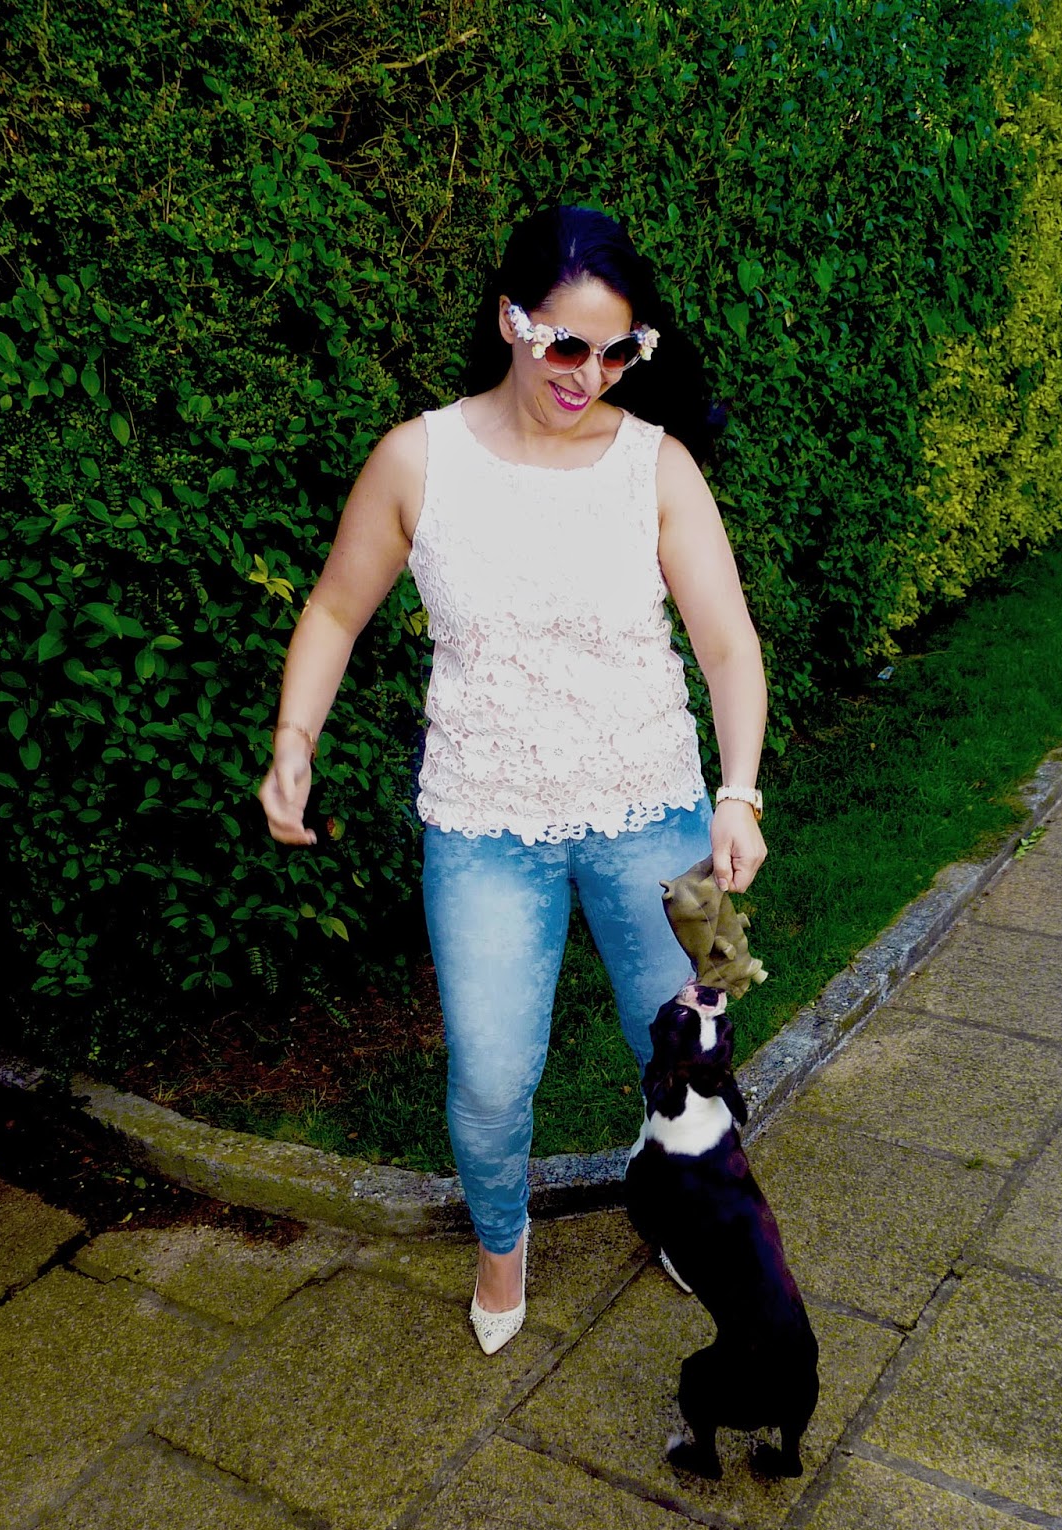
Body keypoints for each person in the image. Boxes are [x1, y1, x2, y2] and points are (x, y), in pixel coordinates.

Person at [258, 205, 767, 1355]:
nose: (588, 375)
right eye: (565, 345)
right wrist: (296, 736)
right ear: (509, 320)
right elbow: (334, 608)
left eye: (617, 351)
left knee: (694, 1040)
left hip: (656, 809)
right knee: (489, 1077)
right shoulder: (417, 460)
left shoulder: (655, 465)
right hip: (483, 820)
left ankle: (678, 1198)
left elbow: (728, 645)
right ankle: (501, 1241)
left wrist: (735, 792)